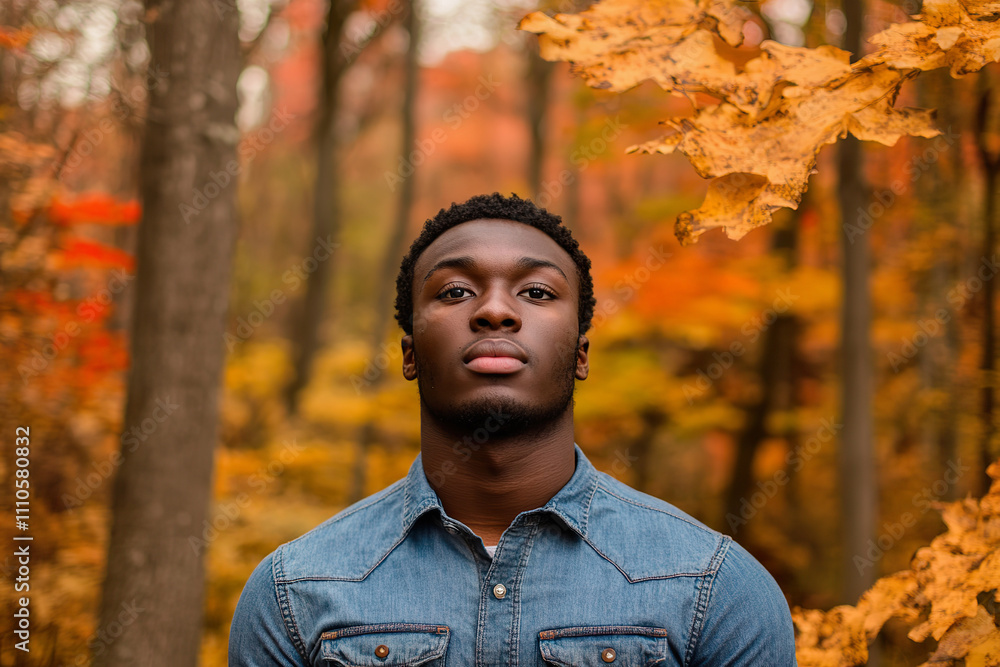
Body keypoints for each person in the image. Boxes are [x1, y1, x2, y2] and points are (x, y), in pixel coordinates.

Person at [229, 193, 797, 666]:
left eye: (537, 292)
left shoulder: (715, 589)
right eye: (455, 291)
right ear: (409, 354)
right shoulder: (293, 593)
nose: (495, 311)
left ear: (580, 353)